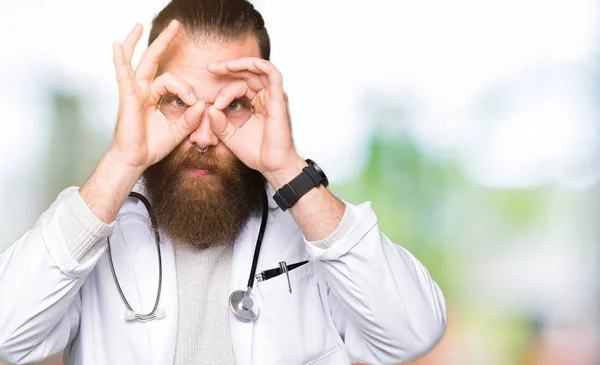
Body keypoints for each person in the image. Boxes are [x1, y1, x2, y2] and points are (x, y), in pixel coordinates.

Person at [0, 0, 447, 364]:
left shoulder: (309, 228)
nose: (204, 135)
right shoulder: (95, 222)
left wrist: (288, 169)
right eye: (177, 100)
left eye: (233, 105)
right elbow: (6, 336)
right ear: (146, 101)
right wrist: (121, 162)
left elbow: (411, 334)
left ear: (263, 107)